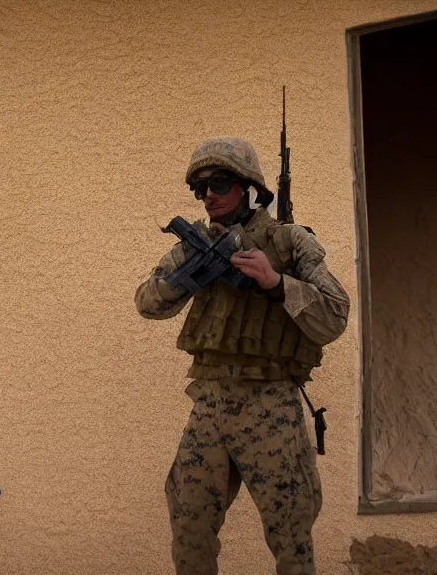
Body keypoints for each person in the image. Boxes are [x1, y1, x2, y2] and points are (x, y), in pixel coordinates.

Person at [134, 137, 350, 575]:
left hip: (270, 402)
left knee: (290, 532)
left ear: (249, 188)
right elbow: (146, 303)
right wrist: (185, 278)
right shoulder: (191, 247)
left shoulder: (290, 242)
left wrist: (277, 283)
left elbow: (335, 316)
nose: (208, 195)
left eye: (219, 183)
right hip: (210, 403)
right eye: (200, 188)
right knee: (189, 524)